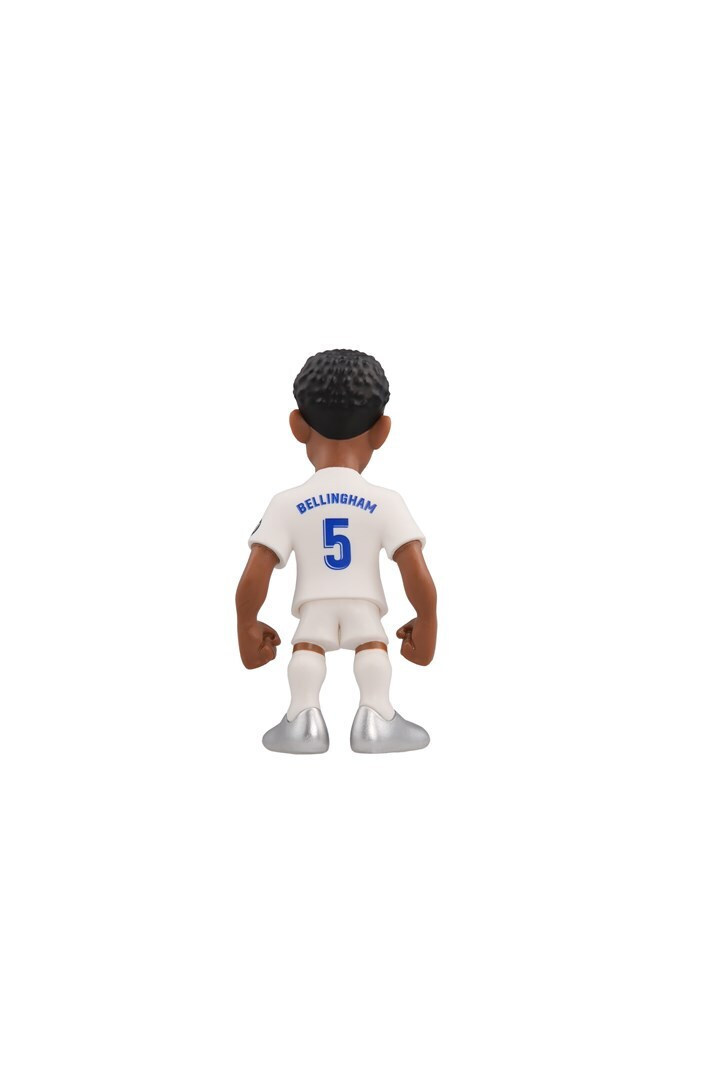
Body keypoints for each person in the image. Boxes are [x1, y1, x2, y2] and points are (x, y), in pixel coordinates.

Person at [235, 349, 437, 753]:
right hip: (364, 601)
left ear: (297, 426)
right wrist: (427, 619)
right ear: (381, 432)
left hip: (314, 602)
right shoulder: (387, 502)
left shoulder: (286, 503)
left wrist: (247, 624)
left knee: (307, 648)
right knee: (372, 646)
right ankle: (376, 717)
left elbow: (254, 574)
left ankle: (302, 719)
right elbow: (415, 570)